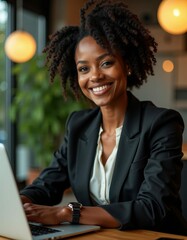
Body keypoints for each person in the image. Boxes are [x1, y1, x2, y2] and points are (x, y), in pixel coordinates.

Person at [20, 0, 187, 236]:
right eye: (84, 68)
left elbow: (153, 208)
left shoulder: (161, 123)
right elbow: (47, 184)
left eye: (106, 63)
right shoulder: (79, 125)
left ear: (126, 65)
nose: (95, 76)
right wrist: (16, 202)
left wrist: (68, 213)